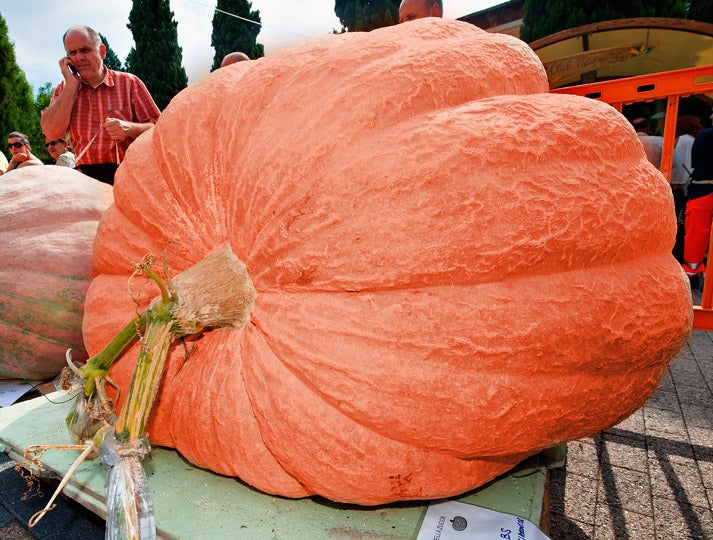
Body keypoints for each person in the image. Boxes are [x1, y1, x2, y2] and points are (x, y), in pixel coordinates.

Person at [41, 25, 160, 185]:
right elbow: (51, 131)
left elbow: (159, 128)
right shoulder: (64, 89)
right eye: (72, 53)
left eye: (85, 50)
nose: (79, 57)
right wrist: (71, 85)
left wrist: (130, 129)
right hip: (86, 178)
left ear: (102, 51)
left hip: (128, 174)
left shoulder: (129, 83)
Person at [682, 109, 713, 281]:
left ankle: (692, 274)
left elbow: (694, 163)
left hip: (702, 189)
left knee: (697, 234)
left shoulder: (704, 136)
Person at [671, 115, 704, 262]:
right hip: (689, 186)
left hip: (678, 186)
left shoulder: (681, 140)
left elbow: (677, 164)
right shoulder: (694, 140)